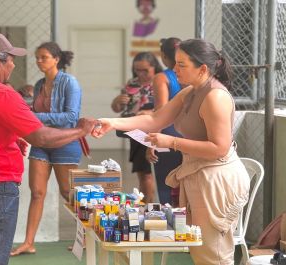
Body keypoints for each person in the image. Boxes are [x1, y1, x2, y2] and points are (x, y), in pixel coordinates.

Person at [0, 32, 96, 265]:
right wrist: (81, 130)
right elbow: (41, 137)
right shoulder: (0, 93)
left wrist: (11, 136)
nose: (13, 64)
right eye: (10, 59)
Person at [93, 39, 250, 265]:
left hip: (216, 180)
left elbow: (219, 148)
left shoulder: (215, 97)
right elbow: (155, 119)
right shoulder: (190, 92)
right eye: (175, 63)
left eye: (182, 64)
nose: (174, 69)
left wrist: (172, 142)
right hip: (198, 175)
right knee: (199, 249)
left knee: (212, 254)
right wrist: (112, 123)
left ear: (203, 69)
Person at [10, 42, 83, 256]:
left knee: (67, 192)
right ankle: (28, 243)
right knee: (37, 192)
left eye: (43, 57)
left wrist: (35, 117)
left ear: (56, 59)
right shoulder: (40, 83)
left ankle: (84, 238)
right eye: (37, 57)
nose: (39, 61)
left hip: (65, 142)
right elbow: (32, 110)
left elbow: (71, 118)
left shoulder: (70, 82)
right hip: (41, 142)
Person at [111, 52, 163, 203]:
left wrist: (150, 113)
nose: (141, 74)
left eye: (145, 70)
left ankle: (151, 209)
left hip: (155, 130)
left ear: (155, 68)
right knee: (143, 173)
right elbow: (117, 108)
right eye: (137, 70)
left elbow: (170, 108)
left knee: (154, 173)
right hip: (135, 132)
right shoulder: (132, 83)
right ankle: (145, 209)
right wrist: (117, 101)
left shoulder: (161, 82)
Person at [145, 37, 183, 206]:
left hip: (169, 134)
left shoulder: (162, 78)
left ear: (163, 56)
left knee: (166, 184)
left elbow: (161, 113)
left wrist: (152, 143)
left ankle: (172, 225)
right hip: (192, 135)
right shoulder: (194, 74)